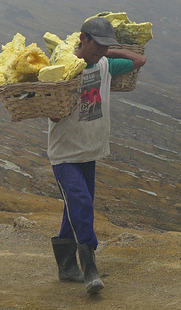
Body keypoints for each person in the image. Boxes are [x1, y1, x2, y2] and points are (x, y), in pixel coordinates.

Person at [48, 16, 146, 294]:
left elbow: (139, 61)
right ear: (83, 39)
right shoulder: (63, 70)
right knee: (81, 203)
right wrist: (78, 60)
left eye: (106, 46)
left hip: (90, 151)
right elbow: (55, 115)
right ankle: (90, 267)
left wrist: (108, 52)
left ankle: (67, 268)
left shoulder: (105, 64)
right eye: (97, 44)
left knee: (75, 207)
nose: (101, 51)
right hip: (65, 155)